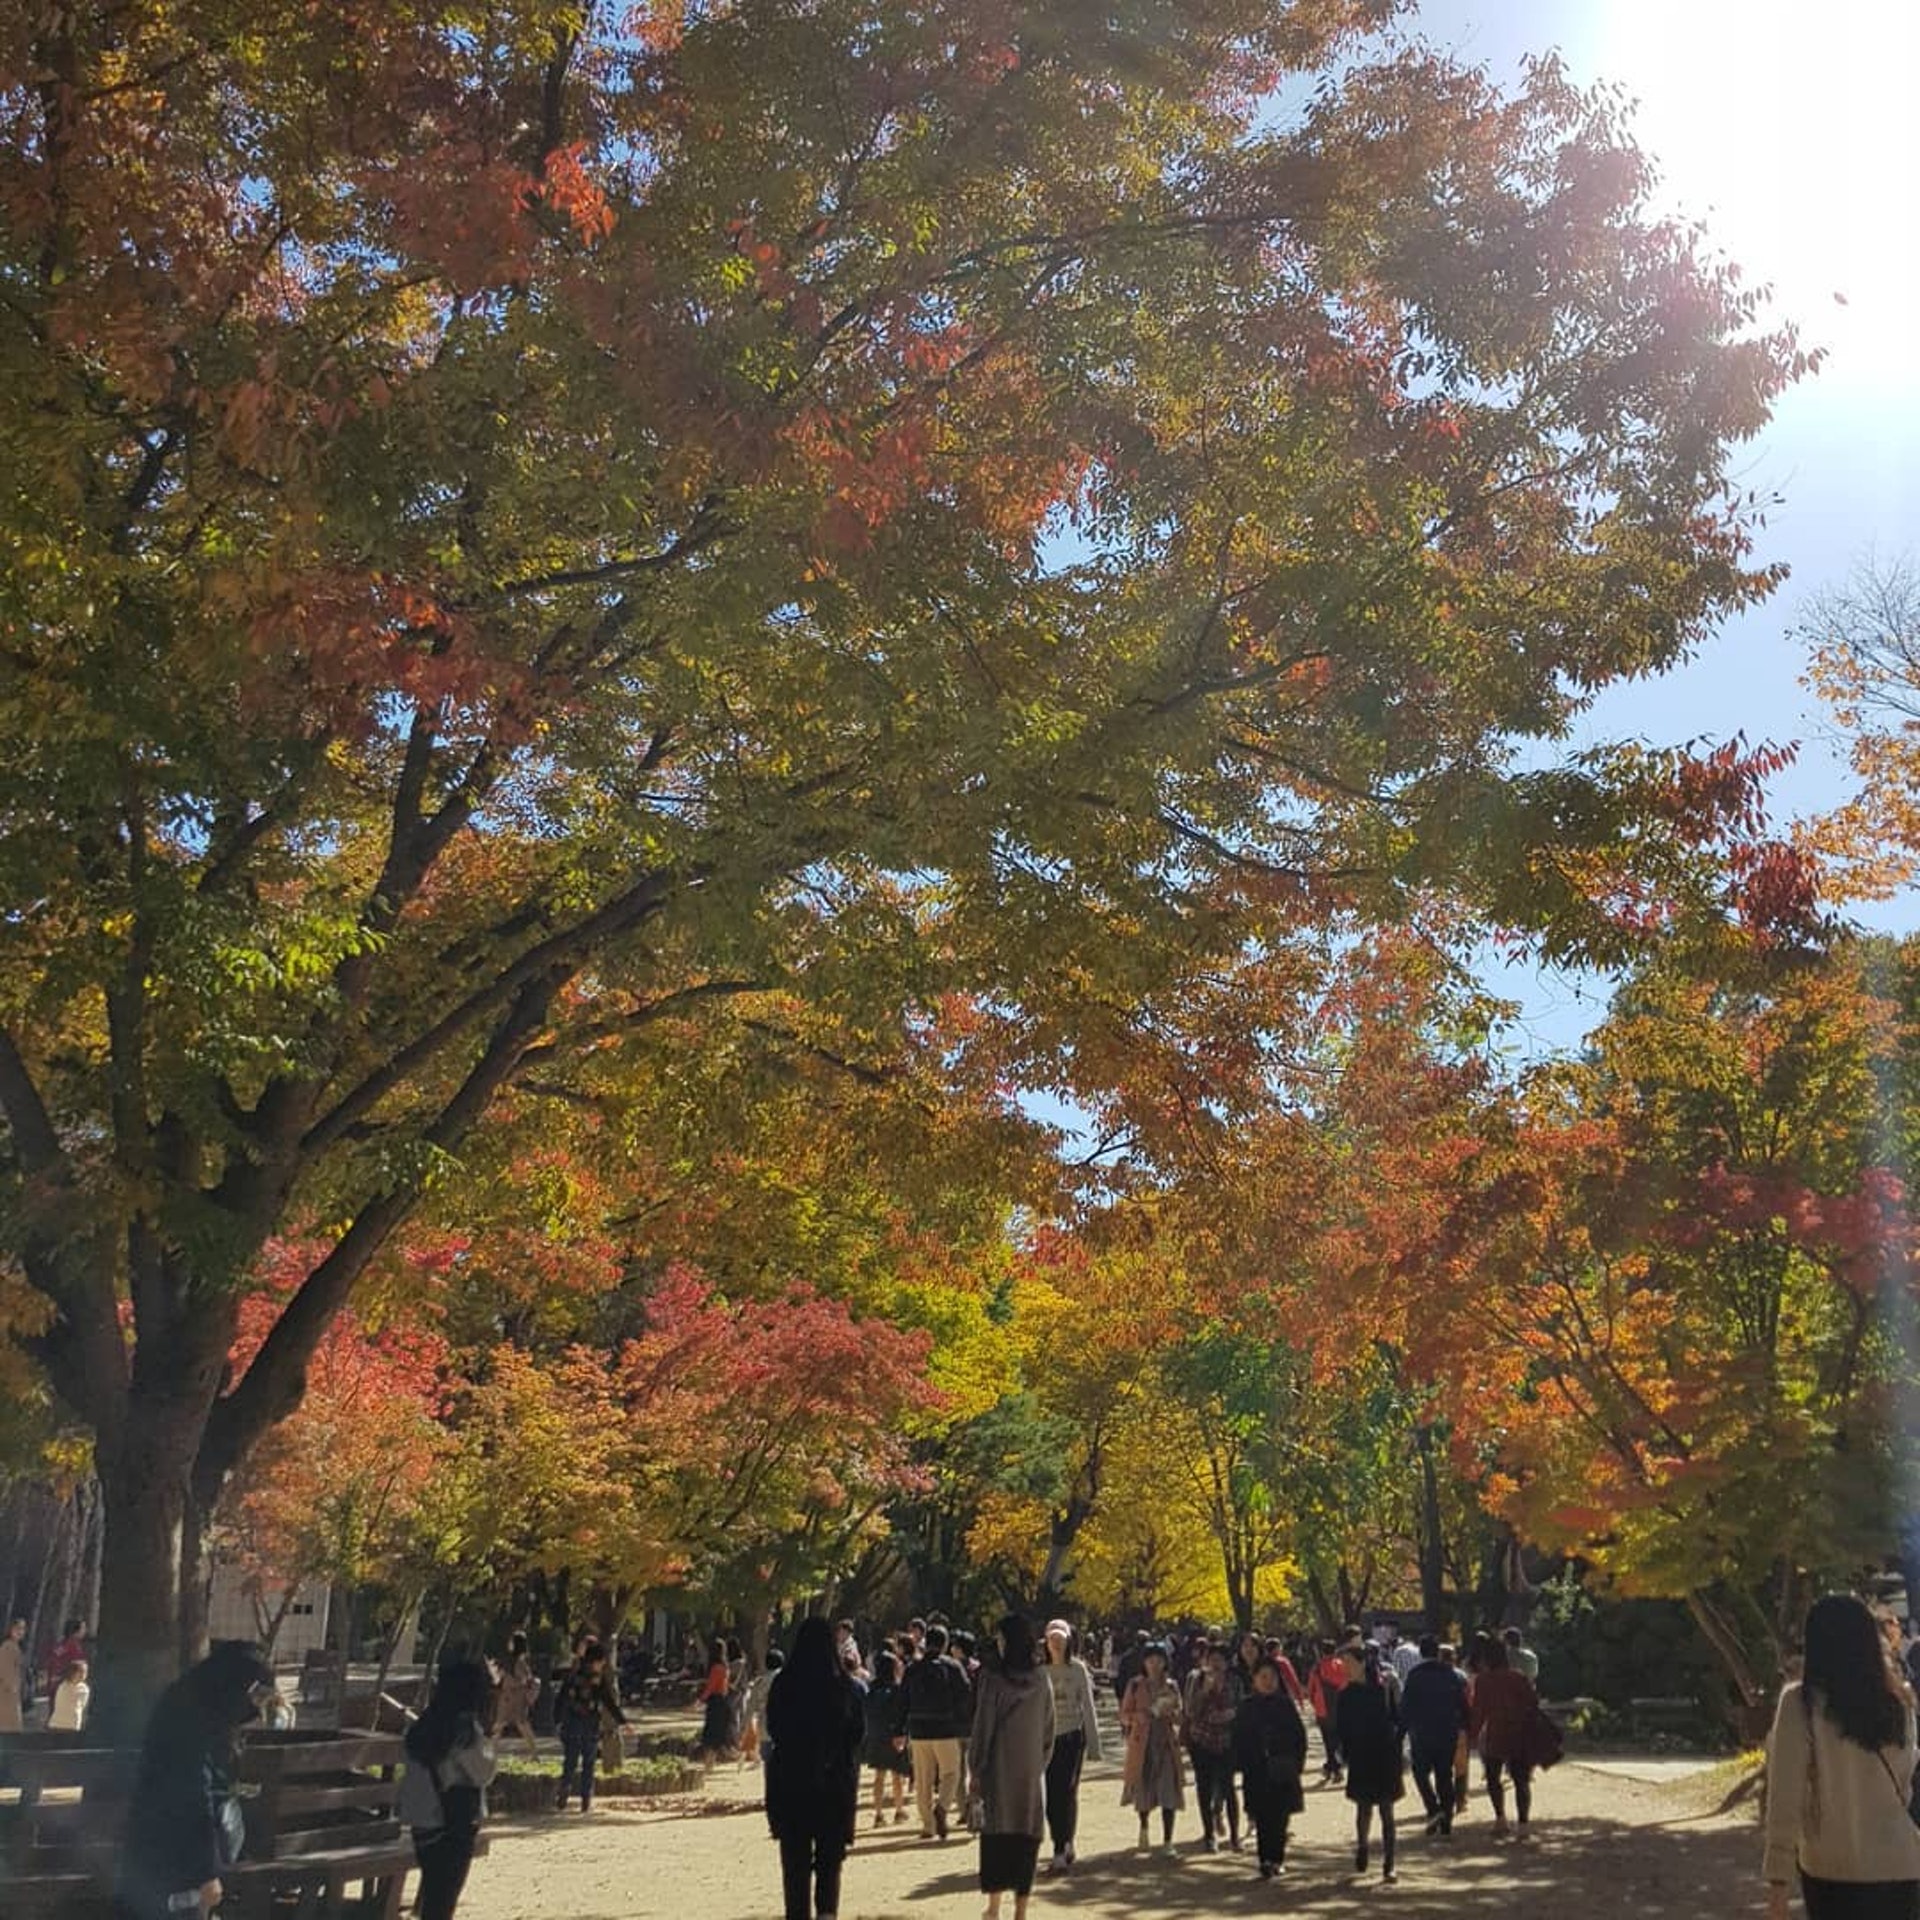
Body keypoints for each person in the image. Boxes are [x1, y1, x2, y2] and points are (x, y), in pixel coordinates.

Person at [1765, 1592, 1920, 1920]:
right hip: (1899, 1865)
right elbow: (1906, 1786)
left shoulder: (1801, 1704)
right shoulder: (1899, 1703)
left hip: (1832, 1867)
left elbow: (1784, 1796)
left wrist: (1778, 1880)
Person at [116, 1640, 273, 1920]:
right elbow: (193, 1793)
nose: (255, 1708)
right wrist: (207, 1872)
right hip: (172, 1852)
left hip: (162, 1844)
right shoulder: (194, 1716)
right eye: (256, 1696)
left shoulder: (195, 1699)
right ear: (239, 1685)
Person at [766, 1617, 865, 1920]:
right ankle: (827, 1913)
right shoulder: (844, 1687)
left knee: (794, 1861)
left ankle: (797, 1914)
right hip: (833, 1783)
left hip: (792, 1782)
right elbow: (857, 1734)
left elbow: (775, 1728)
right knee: (829, 1860)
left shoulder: (784, 1683)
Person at [969, 1614, 1056, 1920]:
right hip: (1031, 1774)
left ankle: (993, 1908)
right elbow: (1049, 1730)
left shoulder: (993, 1681)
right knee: (1026, 1839)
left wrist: (976, 1769)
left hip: (999, 1771)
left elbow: (983, 1728)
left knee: (995, 1838)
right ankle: (1021, 1910)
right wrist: (1037, 1765)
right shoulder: (1042, 1679)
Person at [399, 1658, 497, 1920]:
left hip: (424, 1825)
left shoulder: (423, 1726)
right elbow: (484, 1772)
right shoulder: (464, 1729)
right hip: (455, 1824)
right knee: (443, 1902)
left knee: (434, 1895)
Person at [1336, 1642, 1404, 1884]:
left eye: (1350, 1663)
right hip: (1361, 1756)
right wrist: (1343, 1753)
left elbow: (1399, 1716)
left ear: (1363, 1662)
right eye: (1343, 1664)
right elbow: (1341, 1728)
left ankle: (1389, 1864)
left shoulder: (1385, 1686)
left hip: (1385, 1754)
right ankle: (1363, 1845)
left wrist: (1397, 1744)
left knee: (1387, 1811)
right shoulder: (1345, 1694)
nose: (1346, 1668)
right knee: (1363, 1808)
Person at [1235, 1656, 1308, 1880]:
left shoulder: (1285, 1704)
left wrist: (1297, 1764)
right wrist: (1243, 1762)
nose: (1268, 1682)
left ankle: (1278, 1858)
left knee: (1281, 1817)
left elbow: (1299, 1737)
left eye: (1272, 1677)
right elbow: (1238, 1738)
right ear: (1254, 1679)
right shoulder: (1246, 1706)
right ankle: (1264, 1859)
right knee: (1262, 1816)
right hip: (1256, 1770)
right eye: (1263, 1677)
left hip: (1282, 1768)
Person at [1040, 1619, 1103, 1874]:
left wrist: (1094, 1744)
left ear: (1068, 1642)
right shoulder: (1039, 1670)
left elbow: (1087, 1706)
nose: (1056, 1644)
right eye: (1052, 1640)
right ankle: (1061, 1839)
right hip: (1045, 1740)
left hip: (1071, 1738)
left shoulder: (1077, 1669)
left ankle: (1062, 1846)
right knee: (1049, 1794)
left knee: (1066, 1791)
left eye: (1060, 1640)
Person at [904, 1623, 972, 1840]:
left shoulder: (913, 1668)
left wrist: (899, 1728)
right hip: (946, 1729)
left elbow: (901, 1699)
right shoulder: (952, 1667)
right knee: (951, 1773)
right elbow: (965, 1694)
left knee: (923, 1779)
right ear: (944, 1644)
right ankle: (943, 1805)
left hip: (918, 1730)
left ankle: (928, 1826)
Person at [1469, 1634, 1539, 1838]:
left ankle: (1500, 1819)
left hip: (1496, 1732)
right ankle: (1524, 1823)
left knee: (1493, 1777)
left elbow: (1479, 1710)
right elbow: (1532, 1703)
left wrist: (1473, 1734)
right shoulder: (1518, 1677)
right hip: (1518, 1732)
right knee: (1521, 1780)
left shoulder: (1483, 1680)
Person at [1401, 1634, 1471, 1837]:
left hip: (1421, 1733)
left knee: (1420, 1773)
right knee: (1444, 1774)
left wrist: (1400, 1732)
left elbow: (1406, 1706)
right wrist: (1465, 1726)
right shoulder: (1451, 1674)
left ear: (1421, 1652)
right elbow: (1463, 1704)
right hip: (1447, 1732)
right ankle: (1447, 1818)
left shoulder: (1414, 1675)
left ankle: (1433, 1807)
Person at [1120, 1641, 1186, 1851]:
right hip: (1142, 1744)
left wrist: (1171, 1714)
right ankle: (1144, 1828)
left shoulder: (1172, 1686)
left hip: (1166, 1743)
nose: (1155, 1664)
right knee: (1144, 1789)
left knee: (1169, 1790)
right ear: (1144, 1662)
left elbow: (1181, 1716)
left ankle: (1168, 1840)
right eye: (1150, 1660)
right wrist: (1136, 1717)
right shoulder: (1135, 1685)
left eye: (1159, 1659)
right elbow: (1123, 1714)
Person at [1183, 1642, 1242, 1853]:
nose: (1216, 1664)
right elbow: (1190, 1710)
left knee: (1228, 1787)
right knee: (1204, 1787)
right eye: (1211, 1659)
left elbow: (1241, 1706)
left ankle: (1235, 1835)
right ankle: (1209, 1834)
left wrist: (1232, 1714)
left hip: (1227, 1741)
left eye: (1220, 1660)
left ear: (1227, 1663)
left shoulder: (1234, 1681)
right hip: (1202, 1740)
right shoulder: (1196, 1679)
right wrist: (1204, 1692)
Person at [553, 1640, 624, 1812]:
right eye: (602, 1661)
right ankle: (585, 1800)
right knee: (589, 1763)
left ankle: (565, 1789)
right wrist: (622, 1721)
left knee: (570, 1761)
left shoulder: (572, 1674)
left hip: (571, 1724)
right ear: (596, 1661)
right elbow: (608, 1701)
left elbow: (561, 1698)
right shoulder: (597, 1680)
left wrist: (557, 1720)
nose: (603, 1664)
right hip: (590, 1725)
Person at [862, 1648, 912, 1826]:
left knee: (879, 1776)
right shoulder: (897, 1689)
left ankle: (878, 1814)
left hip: (876, 1736)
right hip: (894, 1736)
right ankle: (899, 1811)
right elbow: (902, 1713)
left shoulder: (871, 1689)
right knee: (897, 1776)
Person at [490, 1631, 539, 1760]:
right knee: (504, 1723)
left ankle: (534, 1753)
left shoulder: (518, 1662)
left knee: (517, 1723)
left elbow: (523, 1679)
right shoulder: (513, 1661)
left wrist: (508, 1681)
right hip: (510, 1697)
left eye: (512, 1641)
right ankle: (491, 1752)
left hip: (514, 1697)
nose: (509, 1643)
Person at [1308, 1637, 1349, 1782]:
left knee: (1327, 1740)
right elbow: (1347, 1684)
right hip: (1340, 1708)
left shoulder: (1317, 1667)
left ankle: (1334, 1767)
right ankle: (1333, 1766)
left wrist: (1314, 1704)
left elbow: (1311, 1689)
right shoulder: (1341, 1665)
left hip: (1322, 1708)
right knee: (1337, 1740)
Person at [696, 1635, 736, 1764]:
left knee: (710, 1737)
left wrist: (700, 1700)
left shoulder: (715, 1668)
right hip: (724, 1702)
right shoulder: (725, 1667)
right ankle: (712, 1763)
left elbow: (710, 1687)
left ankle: (709, 1764)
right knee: (719, 1738)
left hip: (716, 1704)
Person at [50, 1657, 91, 1732]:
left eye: (85, 1672)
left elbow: (82, 1706)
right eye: (81, 1671)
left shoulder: (84, 1688)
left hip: (72, 1725)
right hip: (56, 1724)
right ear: (73, 1672)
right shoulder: (63, 1685)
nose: (83, 1674)